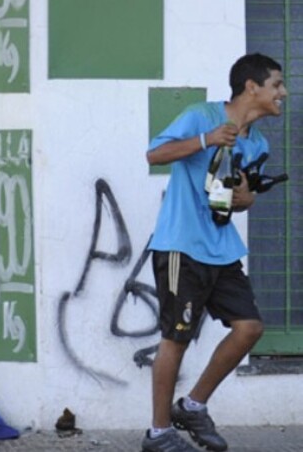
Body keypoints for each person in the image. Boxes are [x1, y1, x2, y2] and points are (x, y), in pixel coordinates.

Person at [141, 53, 287, 452]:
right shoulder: (200, 114)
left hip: (221, 250)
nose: (284, 93)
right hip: (181, 247)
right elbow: (155, 154)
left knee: (249, 328)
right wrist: (207, 140)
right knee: (177, 338)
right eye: (277, 84)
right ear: (251, 86)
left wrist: (246, 198)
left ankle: (191, 406)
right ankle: (158, 434)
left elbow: (243, 199)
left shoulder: (258, 144)